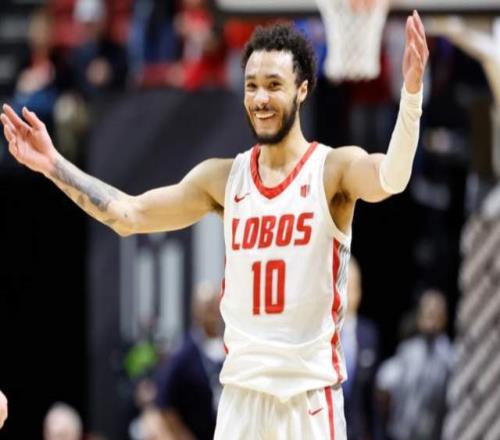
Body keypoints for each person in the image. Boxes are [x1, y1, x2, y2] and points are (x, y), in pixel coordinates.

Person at [1, 10, 429, 438]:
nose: (260, 98)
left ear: (302, 90)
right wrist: (54, 165)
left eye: (274, 85)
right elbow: (128, 215)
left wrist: (411, 94)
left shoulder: (332, 169)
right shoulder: (224, 178)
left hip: (307, 401)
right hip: (240, 400)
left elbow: (391, 177)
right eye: (252, 85)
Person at [375, 289, 453, 440]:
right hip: (399, 434)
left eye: (435, 314)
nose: (431, 320)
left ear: (444, 318)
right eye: (427, 313)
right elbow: (384, 381)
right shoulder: (408, 350)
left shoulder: (450, 358)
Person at [155, 281, 225, 440]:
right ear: (196, 310)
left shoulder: (230, 347)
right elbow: (165, 406)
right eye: (206, 307)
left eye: (213, 306)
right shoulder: (184, 355)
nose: (211, 313)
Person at [342, 257, 380, 440]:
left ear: (359, 291)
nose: (346, 294)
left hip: (357, 432)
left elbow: (371, 397)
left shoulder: (369, 335)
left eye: (351, 287)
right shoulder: (321, 333)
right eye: (342, 286)